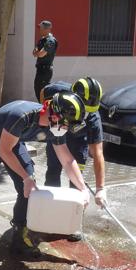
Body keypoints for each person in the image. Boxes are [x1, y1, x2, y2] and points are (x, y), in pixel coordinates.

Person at [0, 91, 91, 265]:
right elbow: (3, 151)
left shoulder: (55, 127)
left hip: (14, 142)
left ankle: (20, 237)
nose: (65, 129)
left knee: (28, 190)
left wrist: (82, 188)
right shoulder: (22, 117)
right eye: (65, 125)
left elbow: (66, 159)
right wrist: (25, 178)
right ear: (54, 115)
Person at [40, 77, 107, 241]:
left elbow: (97, 153)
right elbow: (43, 93)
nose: (88, 113)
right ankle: (51, 217)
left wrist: (100, 188)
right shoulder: (57, 90)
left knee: (77, 182)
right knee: (53, 172)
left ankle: (73, 222)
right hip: (56, 134)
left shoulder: (92, 118)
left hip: (78, 142)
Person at [32, 20, 58, 101]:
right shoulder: (42, 40)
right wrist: (37, 52)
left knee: (43, 92)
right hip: (40, 69)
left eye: (42, 28)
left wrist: (37, 52)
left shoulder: (50, 41)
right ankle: (42, 108)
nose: (40, 30)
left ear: (47, 29)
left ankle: (46, 109)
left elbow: (41, 54)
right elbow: (34, 52)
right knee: (38, 89)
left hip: (45, 70)